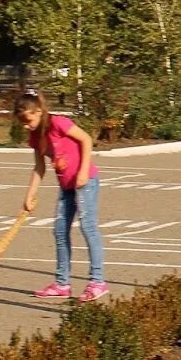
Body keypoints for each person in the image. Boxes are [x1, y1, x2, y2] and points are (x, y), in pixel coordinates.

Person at [16, 94, 107, 302]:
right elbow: (39, 167)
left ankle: (97, 281)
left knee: (88, 227)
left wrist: (83, 172)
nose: (25, 126)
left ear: (38, 112)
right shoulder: (35, 136)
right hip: (66, 186)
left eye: (28, 121)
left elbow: (86, 139)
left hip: (85, 182)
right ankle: (62, 283)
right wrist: (29, 195)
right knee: (59, 231)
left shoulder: (58, 123)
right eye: (21, 122)